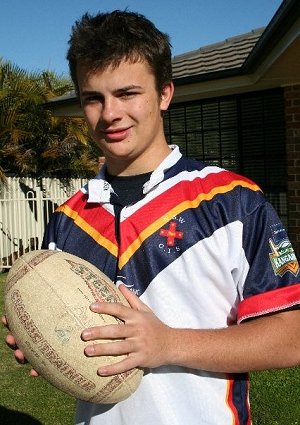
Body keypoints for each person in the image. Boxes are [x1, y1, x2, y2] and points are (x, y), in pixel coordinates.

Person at [3, 10, 300, 425]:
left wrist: (167, 343)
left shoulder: (231, 202)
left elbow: (291, 337)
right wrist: (45, 339)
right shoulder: (69, 218)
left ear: (164, 94)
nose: (110, 114)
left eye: (127, 93)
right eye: (94, 97)